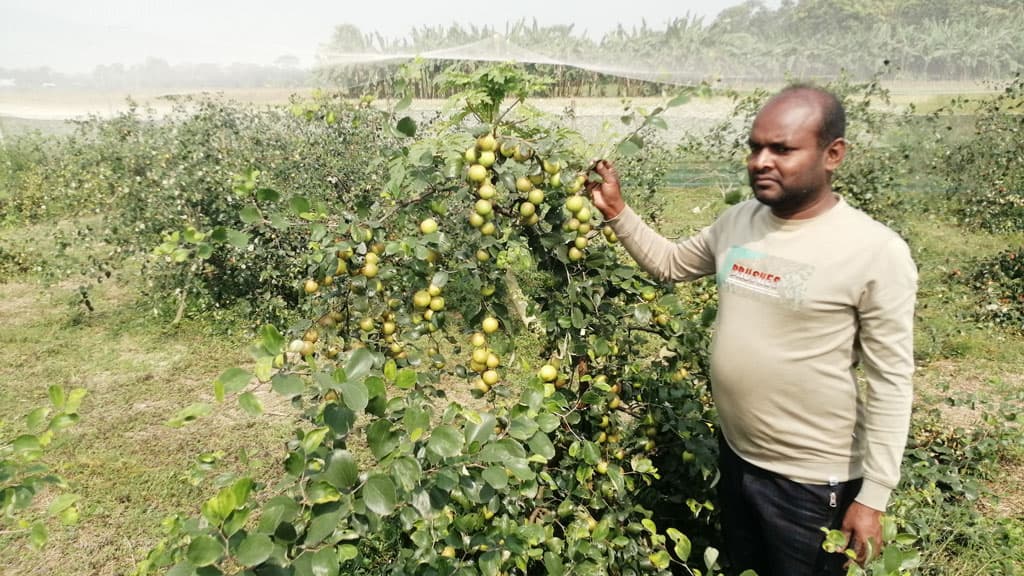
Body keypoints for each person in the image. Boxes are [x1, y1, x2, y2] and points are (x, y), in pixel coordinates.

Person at [586, 85, 917, 576]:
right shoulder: (739, 221)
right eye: (756, 146)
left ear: (833, 154)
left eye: (782, 149)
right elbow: (672, 264)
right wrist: (617, 212)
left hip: (812, 483)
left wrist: (874, 497)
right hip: (739, 458)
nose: (762, 161)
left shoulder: (874, 251)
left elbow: (891, 381)